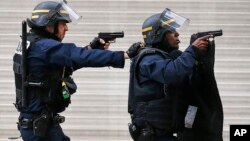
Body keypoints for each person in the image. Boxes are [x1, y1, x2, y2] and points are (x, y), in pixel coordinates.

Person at [13, 1, 141, 141]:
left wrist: (92, 48)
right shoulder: (45, 47)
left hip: (41, 125)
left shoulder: (35, 44)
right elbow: (77, 56)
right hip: (39, 130)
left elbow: (67, 64)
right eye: (63, 24)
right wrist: (125, 55)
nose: (66, 28)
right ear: (49, 26)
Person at [127, 8, 223, 141]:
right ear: (157, 34)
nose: (177, 34)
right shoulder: (148, 58)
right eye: (172, 32)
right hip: (154, 135)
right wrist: (193, 50)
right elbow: (172, 73)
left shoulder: (165, 57)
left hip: (164, 134)